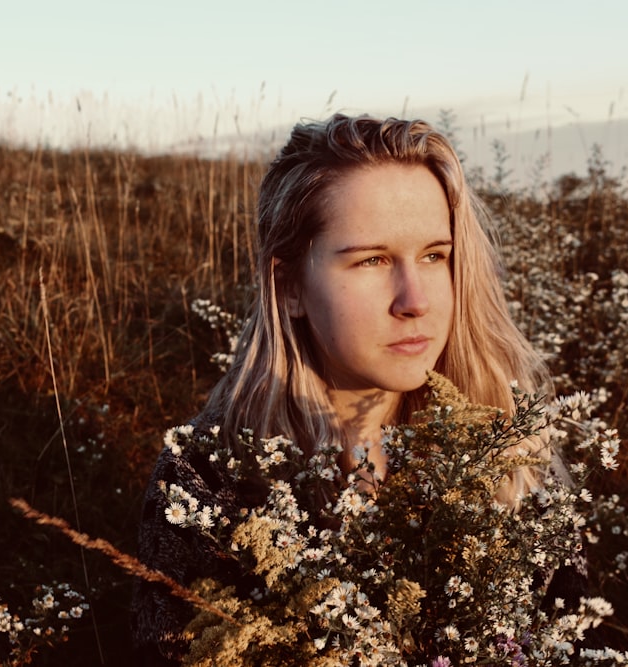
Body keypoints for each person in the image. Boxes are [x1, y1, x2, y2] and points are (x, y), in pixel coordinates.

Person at [131, 113, 577, 665]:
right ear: (289, 285)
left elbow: (575, 640)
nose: (415, 300)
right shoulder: (211, 481)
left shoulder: (508, 449)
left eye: (435, 256)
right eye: (372, 260)